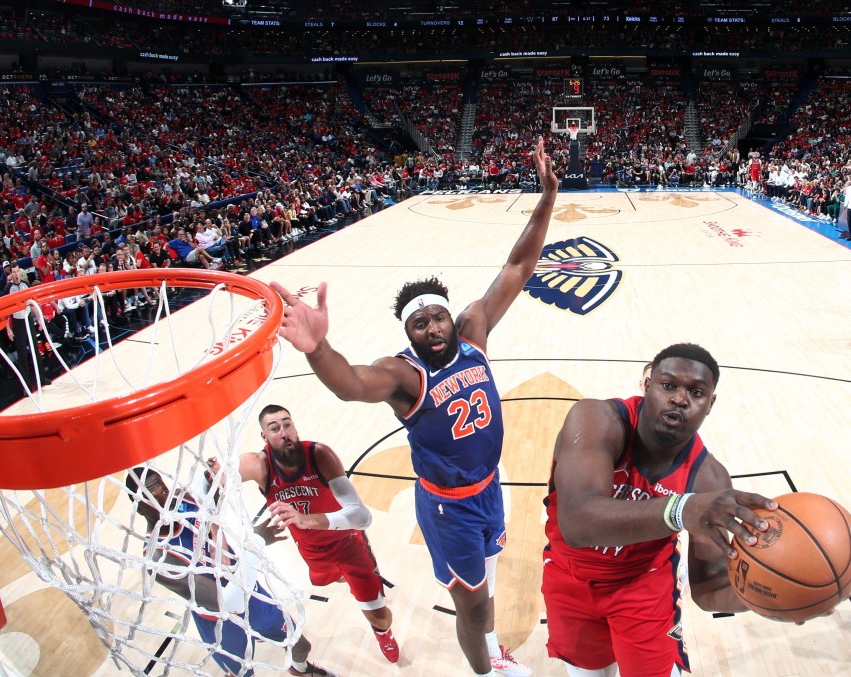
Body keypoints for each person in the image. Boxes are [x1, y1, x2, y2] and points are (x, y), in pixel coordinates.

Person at [270, 137, 558, 677]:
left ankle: (490, 649)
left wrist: (546, 196)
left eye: (436, 319)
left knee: (488, 581)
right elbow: (352, 384)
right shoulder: (405, 373)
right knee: (472, 605)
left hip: (490, 486)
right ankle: (486, 671)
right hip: (448, 506)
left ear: (450, 319)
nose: (431, 328)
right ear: (409, 332)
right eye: (419, 324)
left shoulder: (473, 331)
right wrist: (318, 348)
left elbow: (518, 267)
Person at [542, 343, 778, 677]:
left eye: (696, 392)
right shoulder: (596, 419)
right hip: (569, 575)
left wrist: (773, 597)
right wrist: (682, 508)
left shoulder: (709, 478)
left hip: (643, 584)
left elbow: (709, 589)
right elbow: (577, 523)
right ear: (647, 385)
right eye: (669, 385)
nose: (680, 399)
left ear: (710, 405)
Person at [124, 466, 337, 677]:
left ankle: (300, 670)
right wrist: (257, 541)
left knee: (300, 645)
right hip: (218, 621)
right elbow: (227, 602)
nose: (165, 500)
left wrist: (214, 476)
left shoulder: (187, 499)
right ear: (139, 507)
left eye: (164, 490)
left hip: (249, 593)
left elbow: (211, 498)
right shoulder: (158, 558)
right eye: (154, 498)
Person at [228, 404, 400, 664]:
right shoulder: (259, 465)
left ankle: (383, 634)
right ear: (264, 436)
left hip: (348, 544)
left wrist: (307, 520)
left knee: (379, 616)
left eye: (288, 424)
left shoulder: (319, 454)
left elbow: (362, 517)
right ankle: (346, 578)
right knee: (329, 580)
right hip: (311, 551)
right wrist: (214, 474)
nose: (284, 432)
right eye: (275, 428)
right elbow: (218, 480)